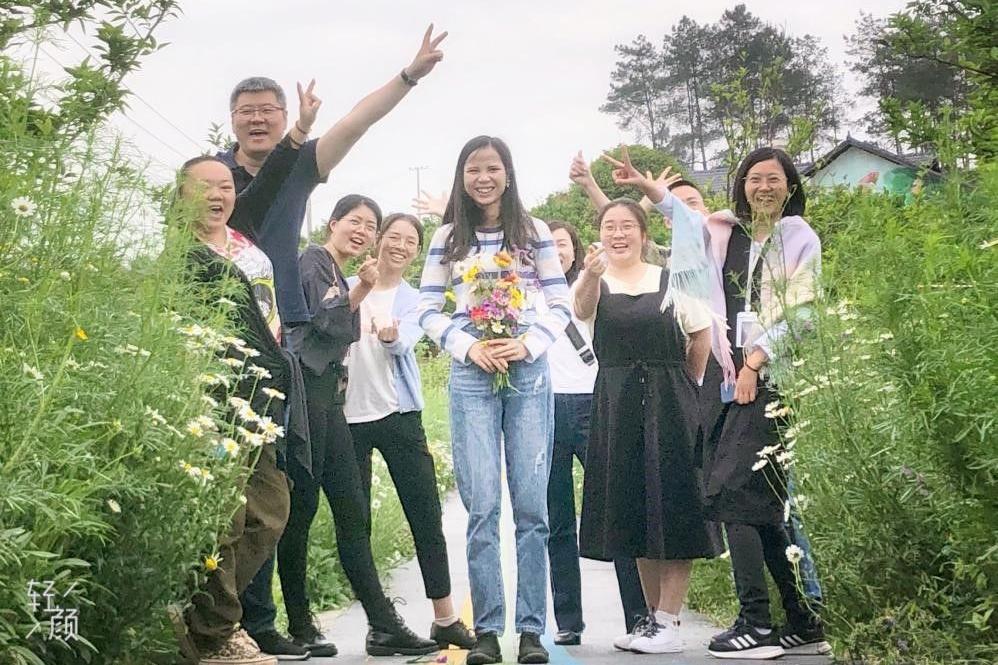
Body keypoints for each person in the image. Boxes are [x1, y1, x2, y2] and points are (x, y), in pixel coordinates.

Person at [223, 24, 449, 659]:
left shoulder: (297, 171)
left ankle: (288, 623)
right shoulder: (216, 178)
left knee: (289, 491)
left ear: (284, 115)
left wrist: (408, 76)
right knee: (258, 492)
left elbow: (356, 123)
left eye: (269, 110)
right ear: (233, 121)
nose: (258, 119)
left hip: (288, 355)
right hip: (232, 337)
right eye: (247, 112)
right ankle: (259, 622)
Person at [614, 146, 829, 659]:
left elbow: (802, 311)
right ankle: (803, 619)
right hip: (724, 375)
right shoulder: (723, 230)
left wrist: (757, 361)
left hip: (769, 378)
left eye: (774, 179)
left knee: (734, 494)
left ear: (790, 185)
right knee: (762, 506)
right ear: (742, 187)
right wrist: (651, 192)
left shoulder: (801, 238)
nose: (764, 187)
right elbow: (686, 223)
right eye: (755, 179)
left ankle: (755, 621)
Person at [417, 136, 571, 665]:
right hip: (471, 376)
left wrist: (528, 342)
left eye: (492, 167)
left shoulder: (535, 234)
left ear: (508, 173)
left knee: (532, 506)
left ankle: (531, 630)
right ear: (462, 176)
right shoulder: (447, 238)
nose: (483, 177)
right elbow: (427, 308)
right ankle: (487, 630)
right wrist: (467, 345)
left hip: (528, 374)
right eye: (473, 168)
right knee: (482, 507)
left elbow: (560, 301)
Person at [168, 136, 306, 665]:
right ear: (181, 196)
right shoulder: (183, 258)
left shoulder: (246, 246)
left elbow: (267, 319)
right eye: (203, 187)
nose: (216, 194)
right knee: (223, 516)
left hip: (259, 400)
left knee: (270, 509)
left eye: (224, 185)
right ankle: (218, 632)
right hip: (213, 399)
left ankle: (201, 620)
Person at [284, 195, 438, 658]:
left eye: (370, 225)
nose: (362, 231)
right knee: (302, 511)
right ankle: (297, 623)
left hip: (331, 403)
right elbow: (326, 324)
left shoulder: (338, 270)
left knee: (351, 512)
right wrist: (362, 291)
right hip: (307, 400)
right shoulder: (314, 260)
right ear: (332, 223)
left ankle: (382, 624)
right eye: (355, 222)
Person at [574, 196, 723, 655]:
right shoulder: (594, 281)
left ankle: (668, 619)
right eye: (609, 226)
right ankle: (650, 620)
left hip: (670, 402)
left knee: (675, 505)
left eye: (626, 226)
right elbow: (580, 312)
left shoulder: (671, 280)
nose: (617, 234)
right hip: (616, 405)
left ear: (643, 233)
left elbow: (700, 336)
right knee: (635, 509)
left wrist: (685, 388)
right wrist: (591, 275)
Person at [342, 212, 476, 651]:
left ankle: (444, 618)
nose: (400, 245)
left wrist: (388, 336)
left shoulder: (417, 300)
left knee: (425, 516)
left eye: (410, 241)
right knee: (354, 522)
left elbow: (404, 344)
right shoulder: (346, 285)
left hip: (399, 415)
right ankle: (380, 622)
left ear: (418, 252)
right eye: (393, 237)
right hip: (346, 417)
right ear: (378, 240)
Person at [543, 220, 646, 646]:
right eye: (547, 245)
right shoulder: (526, 293)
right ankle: (569, 620)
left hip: (592, 404)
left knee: (616, 507)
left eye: (562, 243)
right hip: (543, 409)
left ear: (575, 250)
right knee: (557, 521)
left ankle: (640, 616)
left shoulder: (594, 283)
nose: (556, 250)